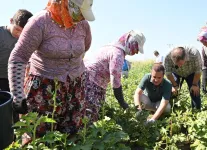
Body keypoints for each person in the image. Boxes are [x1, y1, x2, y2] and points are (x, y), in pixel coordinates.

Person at [8, 0, 95, 139]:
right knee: (39, 135)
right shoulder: (40, 22)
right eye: (79, 13)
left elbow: (85, 47)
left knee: (71, 136)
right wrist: (18, 95)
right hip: (44, 89)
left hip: (75, 88)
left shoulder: (83, 25)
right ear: (66, 4)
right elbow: (18, 57)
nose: (82, 18)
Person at [84, 30, 146, 122]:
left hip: (86, 78)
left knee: (88, 109)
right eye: (137, 48)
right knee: (89, 114)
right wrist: (122, 103)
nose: (136, 52)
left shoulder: (111, 47)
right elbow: (115, 81)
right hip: (91, 82)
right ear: (131, 43)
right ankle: (85, 134)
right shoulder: (117, 54)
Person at [0, 9, 33, 92]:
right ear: (11, 21)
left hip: (18, 81)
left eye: (23, 32)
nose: (19, 34)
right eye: (17, 29)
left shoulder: (27, 39)